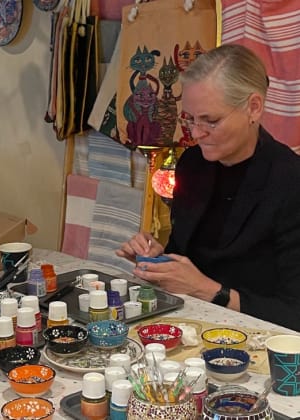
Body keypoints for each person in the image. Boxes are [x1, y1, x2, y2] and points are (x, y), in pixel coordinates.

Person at [117, 44, 300, 332]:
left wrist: (210, 291)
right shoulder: (192, 164)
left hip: (260, 337)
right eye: (189, 119)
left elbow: (294, 313)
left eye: (211, 121)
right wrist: (160, 259)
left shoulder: (289, 181)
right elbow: (186, 253)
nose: (196, 133)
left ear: (254, 107)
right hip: (192, 324)